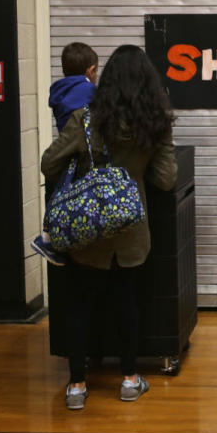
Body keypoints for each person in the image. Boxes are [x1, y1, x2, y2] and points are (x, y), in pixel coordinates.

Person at [41, 44, 178, 410]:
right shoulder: (155, 124)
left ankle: (76, 386)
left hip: (87, 233)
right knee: (126, 303)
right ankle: (131, 380)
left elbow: (48, 163)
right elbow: (166, 179)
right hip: (130, 231)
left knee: (80, 305)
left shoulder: (85, 119)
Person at [31, 42, 99, 266]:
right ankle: (51, 238)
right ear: (90, 70)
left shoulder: (59, 90)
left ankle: (49, 234)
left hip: (67, 148)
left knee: (62, 189)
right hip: (81, 151)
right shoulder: (88, 90)